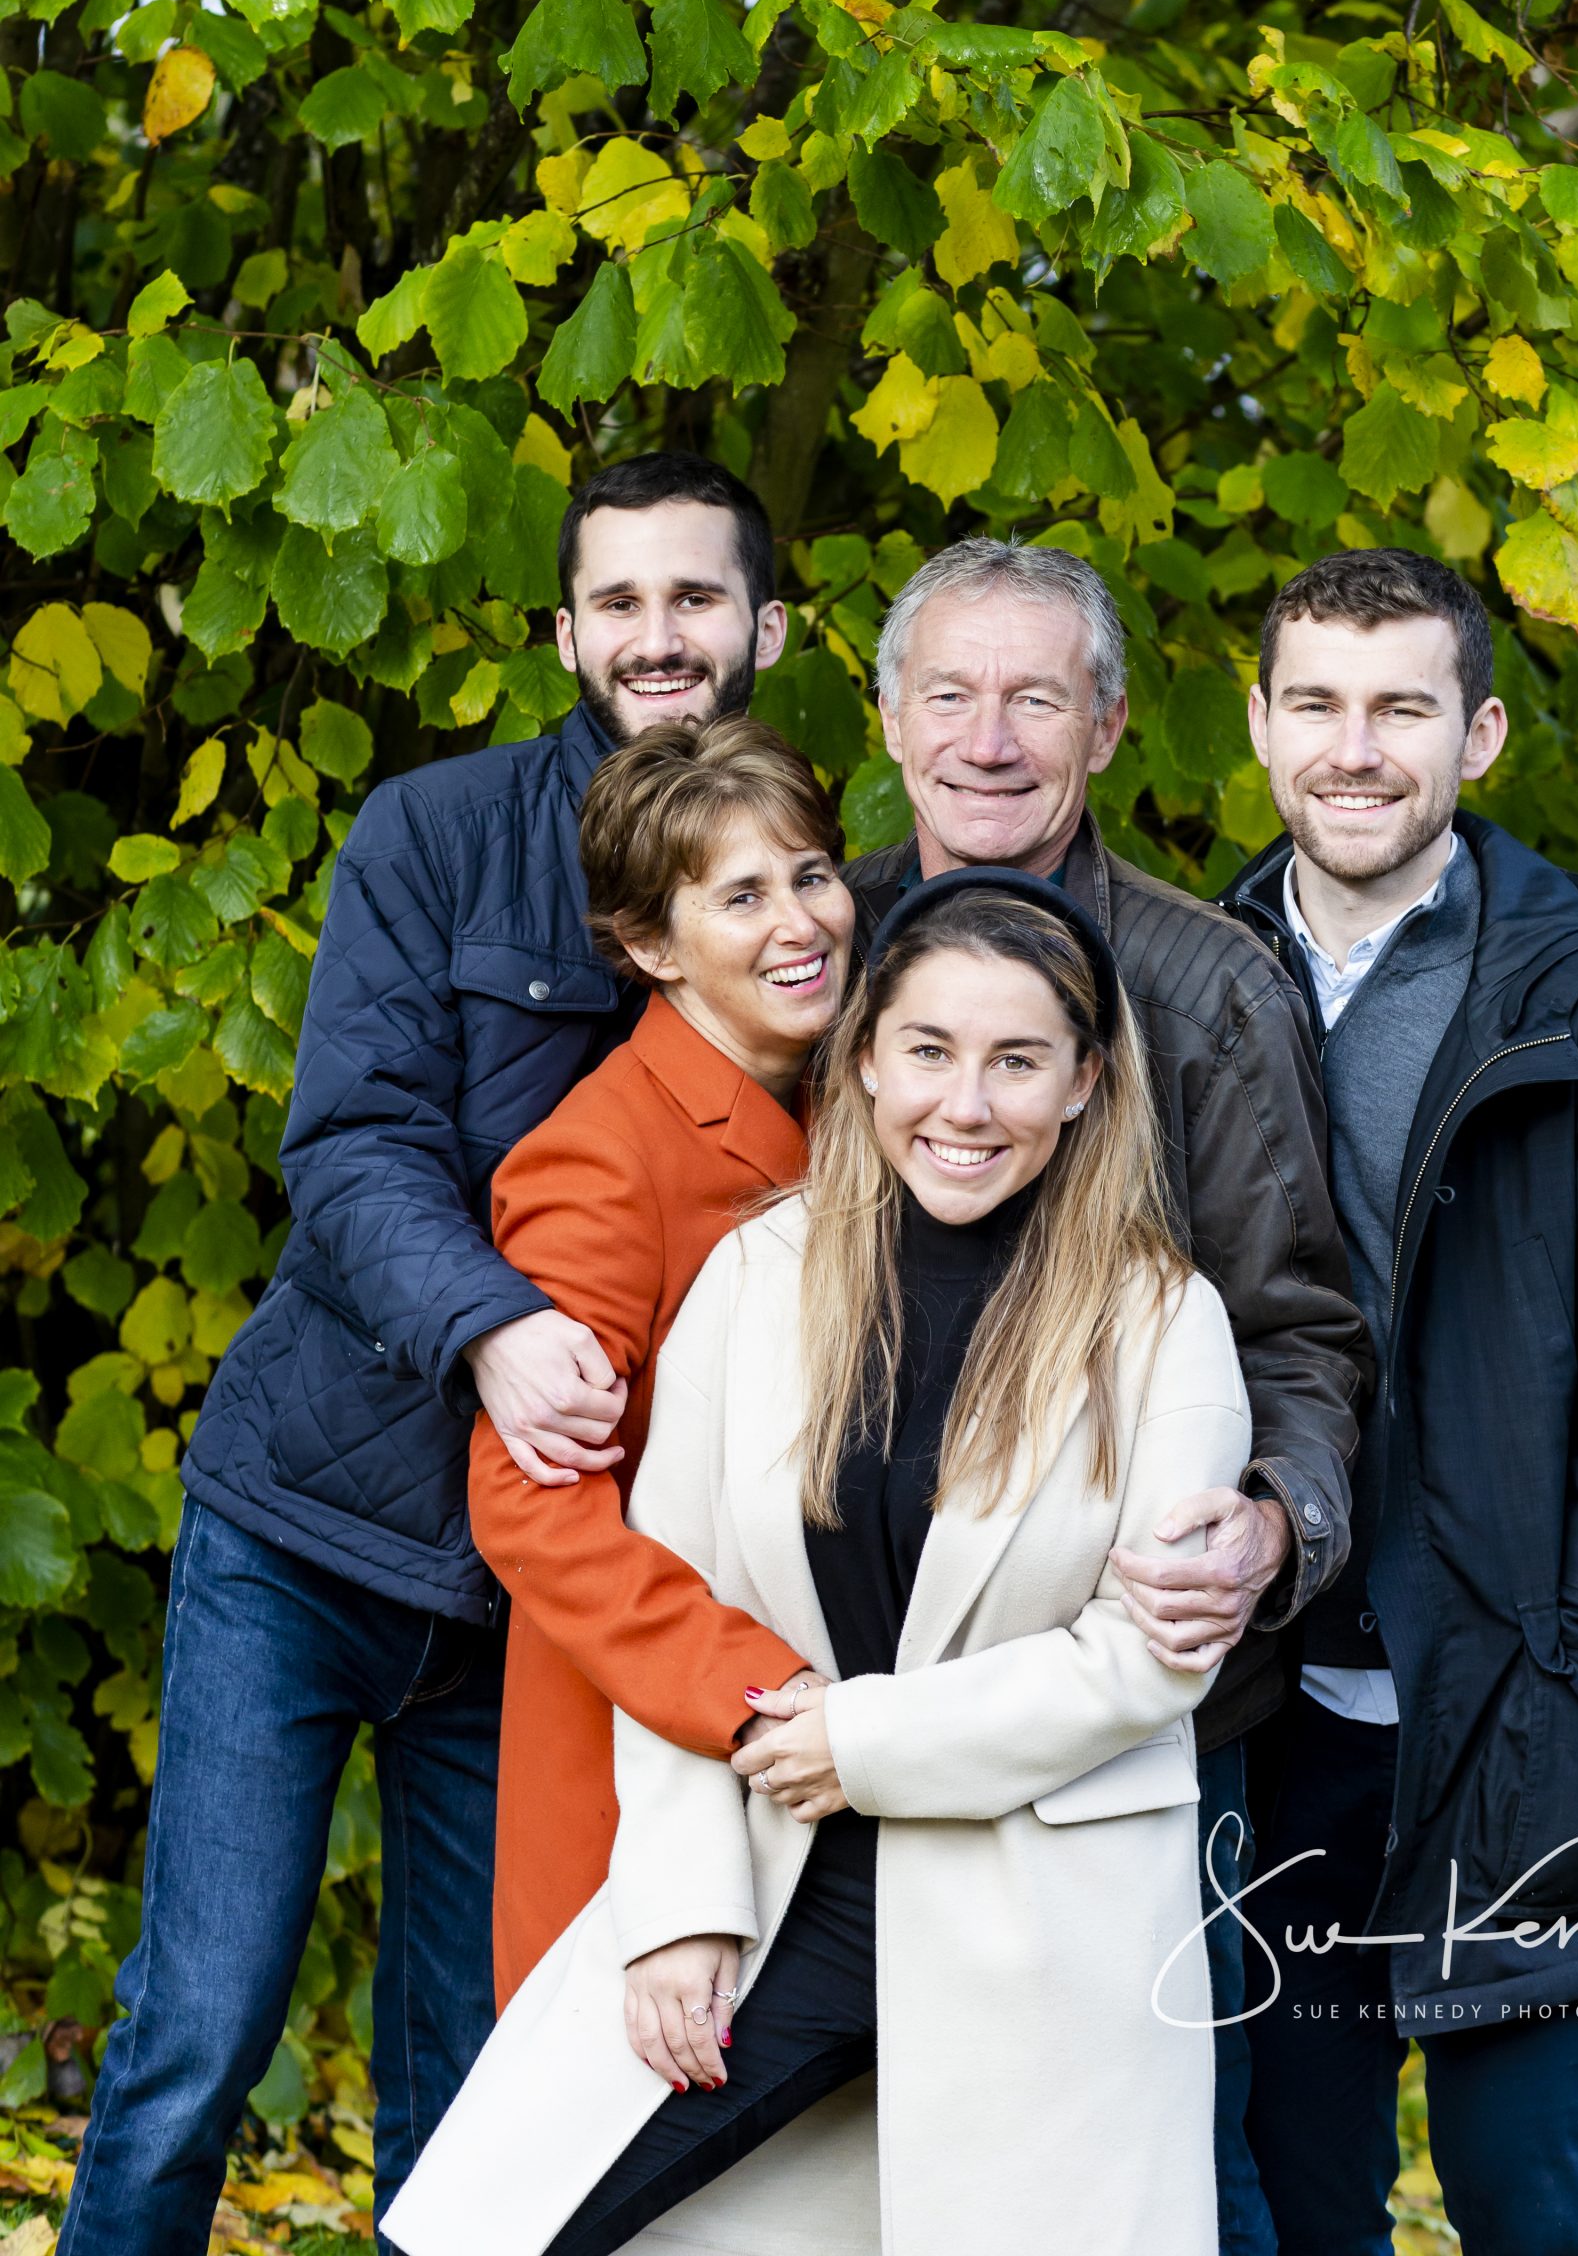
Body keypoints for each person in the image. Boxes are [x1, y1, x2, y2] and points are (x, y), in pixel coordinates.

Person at [60, 452, 788, 2255]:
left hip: (530, 1605)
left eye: (695, 598)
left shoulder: (787, 877)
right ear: (563, 631)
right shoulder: (439, 832)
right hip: (308, 1526)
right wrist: (492, 1327)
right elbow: (352, 1141)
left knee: (484, 2062)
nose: (658, 635)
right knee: (201, 2023)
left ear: (765, 626)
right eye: (618, 601)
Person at [385, 877, 1254, 2256]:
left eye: (1018, 1060)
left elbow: (1147, 1654)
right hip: (783, 1870)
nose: (965, 1105)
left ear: (1086, 1082)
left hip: (1030, 1914)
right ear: (862, 1056)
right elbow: (677, 1606)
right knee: (487, 2219)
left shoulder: (1163, 1322)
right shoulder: (760, 1279)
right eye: (928, 1050)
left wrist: (867, 1737)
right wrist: (678, 1906)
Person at [842, 535, 1365, 2256]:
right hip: (847, 1676)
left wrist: (1272, 1520)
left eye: (1036, 698)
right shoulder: (818, 952)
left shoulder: (1208, 986)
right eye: (952, 694)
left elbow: (1299, 1327)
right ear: (888, 714)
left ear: (1110, 726)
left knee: (1154, 2173)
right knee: (844, 2155)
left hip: (1128, 1709)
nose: (989, 739)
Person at [1225, 549, 1578, 2256]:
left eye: (1399, 707)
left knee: (1537, 2208)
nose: (1352, 748)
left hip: (1517, 1719)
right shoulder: (1173, 996)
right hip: (1264, 1708)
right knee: (1298, 2207)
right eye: (1314, 702)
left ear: (1480, 736)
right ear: (1257, 723)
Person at [471, 716, 858, 2001]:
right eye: (742, 895)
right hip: (656, 1728)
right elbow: (533, 1511)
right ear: (649, 945)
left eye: (810, 874)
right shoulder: (604, 1156)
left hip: (839, 1721)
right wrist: (752, 1690)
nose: (799, 921)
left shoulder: (864, 1099)